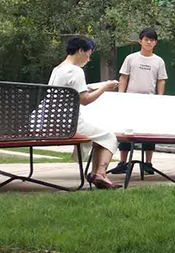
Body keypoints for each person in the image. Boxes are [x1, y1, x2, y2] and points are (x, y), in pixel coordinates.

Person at [46, 36, 121, 189]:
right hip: (68, 123)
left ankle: (98, 175)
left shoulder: (58, 69)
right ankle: (100, 174)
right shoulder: (76, 71)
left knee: (100, 136)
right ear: (80, 50)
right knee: (109, 137)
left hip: (52, 119)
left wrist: (93, 87)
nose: (89, 58)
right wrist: (105, 87)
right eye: (89, 54)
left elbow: (71, 93)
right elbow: (85, 100)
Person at [108, 28, 168, 176]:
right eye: (146, 39)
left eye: (152, 40)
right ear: (140, 41)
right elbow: (124, 77)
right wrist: (121, 96)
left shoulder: (159, 61)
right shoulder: (131, 58)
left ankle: (148, 164)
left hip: (150, 101)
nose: (149, 42)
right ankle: (123, 162)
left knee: (149, 132)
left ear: (156, 42)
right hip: (130, 100)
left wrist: (159, 98)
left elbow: (161, 80)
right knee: (126, 131)